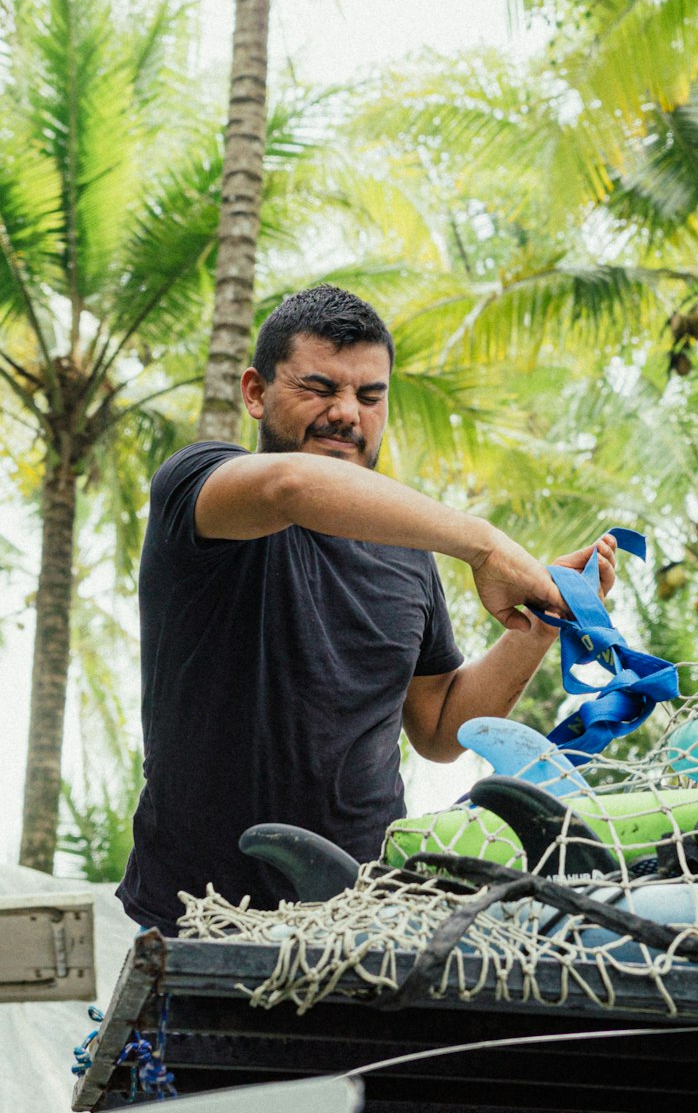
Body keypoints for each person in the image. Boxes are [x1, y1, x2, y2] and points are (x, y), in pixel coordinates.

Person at [117, 284, 616, 934]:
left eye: (369, 396)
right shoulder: (200, 488)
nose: (346, 413)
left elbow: (439, 730)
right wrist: (487, 546)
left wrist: (544, 617)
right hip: (194, 917)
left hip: (363, 916)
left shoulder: (409, 555)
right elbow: (291, 486)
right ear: (255, 392)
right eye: (319, 387)